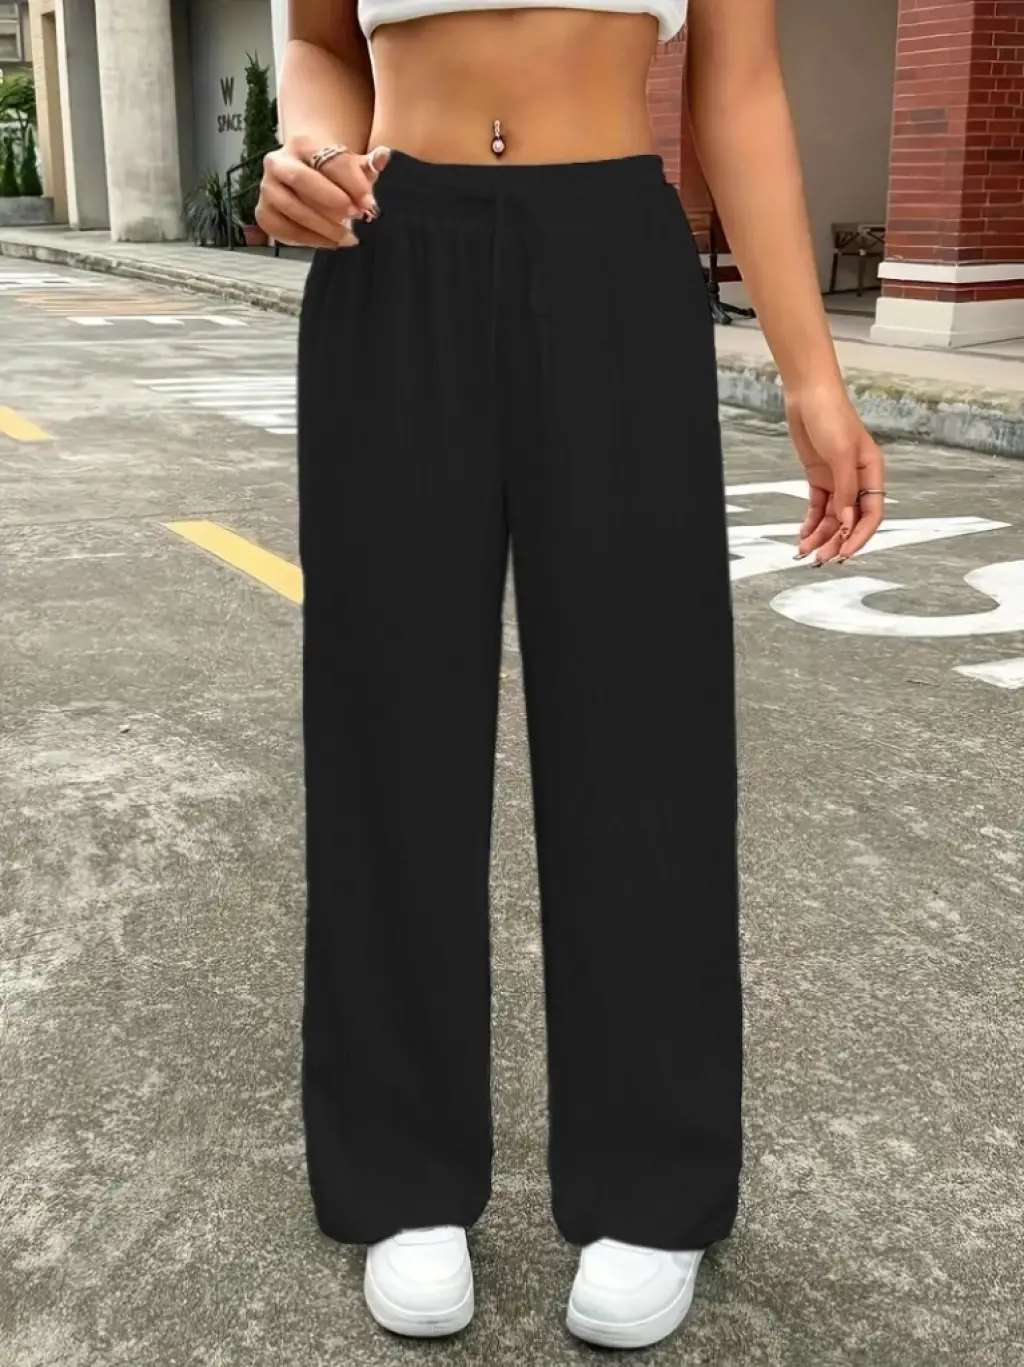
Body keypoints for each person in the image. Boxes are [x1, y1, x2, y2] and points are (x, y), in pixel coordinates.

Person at [257, 0, 885, 1349]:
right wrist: (311, 150)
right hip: (389, 252)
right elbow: (321, 41)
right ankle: (402, 1170)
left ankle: (652, 1179)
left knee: (645, 727)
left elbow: (740, 88)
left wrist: (810, 373)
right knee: (385, 719)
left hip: (613, 255)